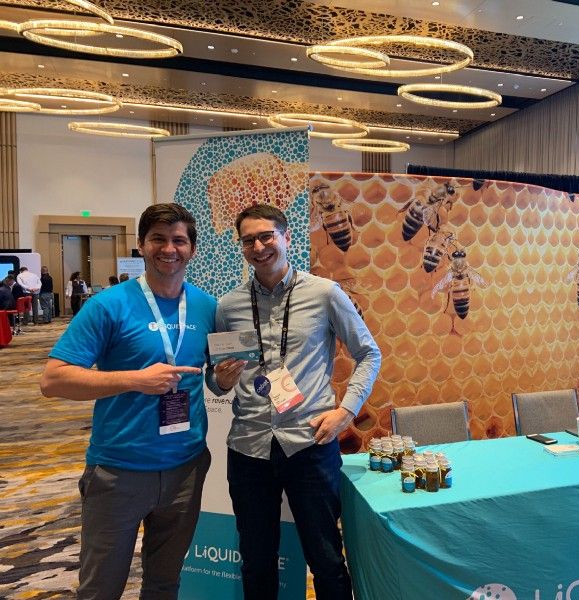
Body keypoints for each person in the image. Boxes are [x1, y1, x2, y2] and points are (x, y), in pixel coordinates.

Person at [40, 203, 217, 600]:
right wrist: (134, 380)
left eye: (178, 240)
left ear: (192, 248)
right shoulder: (108, 304)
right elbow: (53, 380)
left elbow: (212, 376)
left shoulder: (207, 307)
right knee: (101, 589)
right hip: (119, 471)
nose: (168, 249)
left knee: (164, 584)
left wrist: (222, 380)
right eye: (158, 239)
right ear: (140, 245)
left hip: (185, 469)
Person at [206, 204, 381, 600]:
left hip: (310, 442)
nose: (258, 246)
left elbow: (369, 353)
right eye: (248, 240)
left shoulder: (324, 293)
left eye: (266, 236)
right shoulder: (228, 306)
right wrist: (219, 381)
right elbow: (216, 381)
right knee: (256, 560)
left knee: (326, 558)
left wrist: (346, 411)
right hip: (248, 448)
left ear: (286, 237)